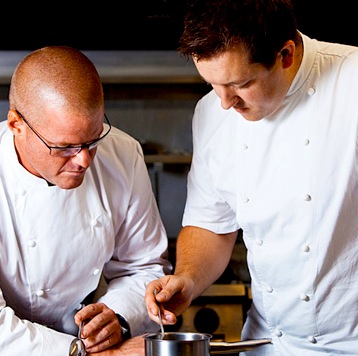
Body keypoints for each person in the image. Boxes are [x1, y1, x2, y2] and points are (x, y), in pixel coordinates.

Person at [145, 0, 358, 354]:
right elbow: (211, 224)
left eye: (240, 84)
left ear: (285, 54)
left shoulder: (352, 84)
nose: (226, 103)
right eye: (212, 84)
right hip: (267, 341)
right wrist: (188, 278)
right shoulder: (211, 113)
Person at [0, 45, 171, 356]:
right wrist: (78, 351)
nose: (84, 160)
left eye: (93, 140)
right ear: (16, 124)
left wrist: (116, 318)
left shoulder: (122, 154)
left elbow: (144, 267)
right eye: (64, 147)